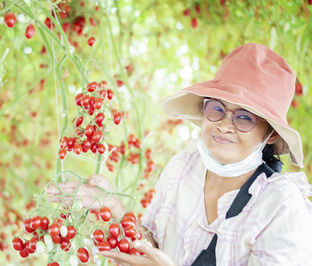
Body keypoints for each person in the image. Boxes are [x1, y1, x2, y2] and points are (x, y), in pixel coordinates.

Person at [46, 43, 312, 265]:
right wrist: (116, 209)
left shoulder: (281, 206)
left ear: (272, 134)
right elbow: (154, 246)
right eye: (217, 108)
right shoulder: (184, 167)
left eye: (244, 118)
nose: (224, 125)